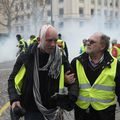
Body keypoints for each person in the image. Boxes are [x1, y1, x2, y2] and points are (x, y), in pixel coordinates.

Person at [8, 24, 79, 120]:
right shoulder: (26, 58)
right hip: (32, 110)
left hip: (53, 110)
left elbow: (74, 81)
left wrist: (71, 98)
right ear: (39, 40)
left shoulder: (61, 58)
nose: (53, 44)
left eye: (55, 40)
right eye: (49, 40)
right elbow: (12, 79)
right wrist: (14, 99)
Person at [71, 32, 120, 120]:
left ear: (102, 46)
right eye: (87, 41)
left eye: (92, 42)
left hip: (105, 114)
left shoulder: (116, 65)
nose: (87, 43)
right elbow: (71, 85)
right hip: (82, 113)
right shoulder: (76, 62)